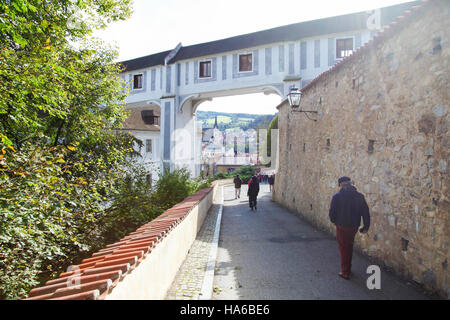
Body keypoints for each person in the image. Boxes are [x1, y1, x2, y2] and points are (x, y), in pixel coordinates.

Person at [329, 176, 370, 280]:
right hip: (353, 226)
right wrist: (366, 226)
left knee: (343, 248)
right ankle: (348, 268)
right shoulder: (360, 196)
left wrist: (335, 221)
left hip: (341, 226)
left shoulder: (337, 197)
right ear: (350, 183)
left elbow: (332, 213)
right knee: (349, 246)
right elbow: (365, 212)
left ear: (341, 185)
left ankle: (345, 272)